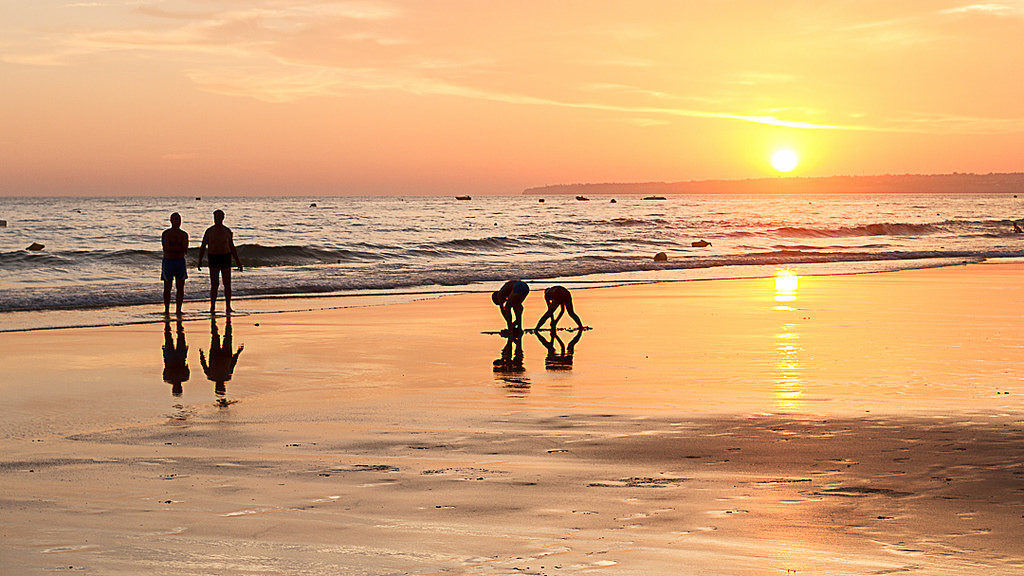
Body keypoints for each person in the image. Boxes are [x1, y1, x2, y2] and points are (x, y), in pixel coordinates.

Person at [197, 209, 243, 313]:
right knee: (214, 284)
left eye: (219, 217)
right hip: (213, 257)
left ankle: (228, 306)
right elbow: (203, 246)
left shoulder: (227, 231)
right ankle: (212, 307)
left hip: (225, 257)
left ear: (223, 218)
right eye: (215, 217)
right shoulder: (209, 231)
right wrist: (199, 260)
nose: (217, 219)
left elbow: (232, 247)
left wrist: (238, 262)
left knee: (227, 284)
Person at [161, 212, 189, 315]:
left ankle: (178, 310)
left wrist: (175, 248)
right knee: (167, 287)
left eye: (179, 219)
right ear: (171, 221)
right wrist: (178, 248)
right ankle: (167, 309)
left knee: (180, 287)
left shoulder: (184, 234)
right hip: (168, 262)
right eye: (175, 219)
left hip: (180, 262)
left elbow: (185, 249)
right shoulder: (166, 233)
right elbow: (166, 248)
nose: (177, 221)